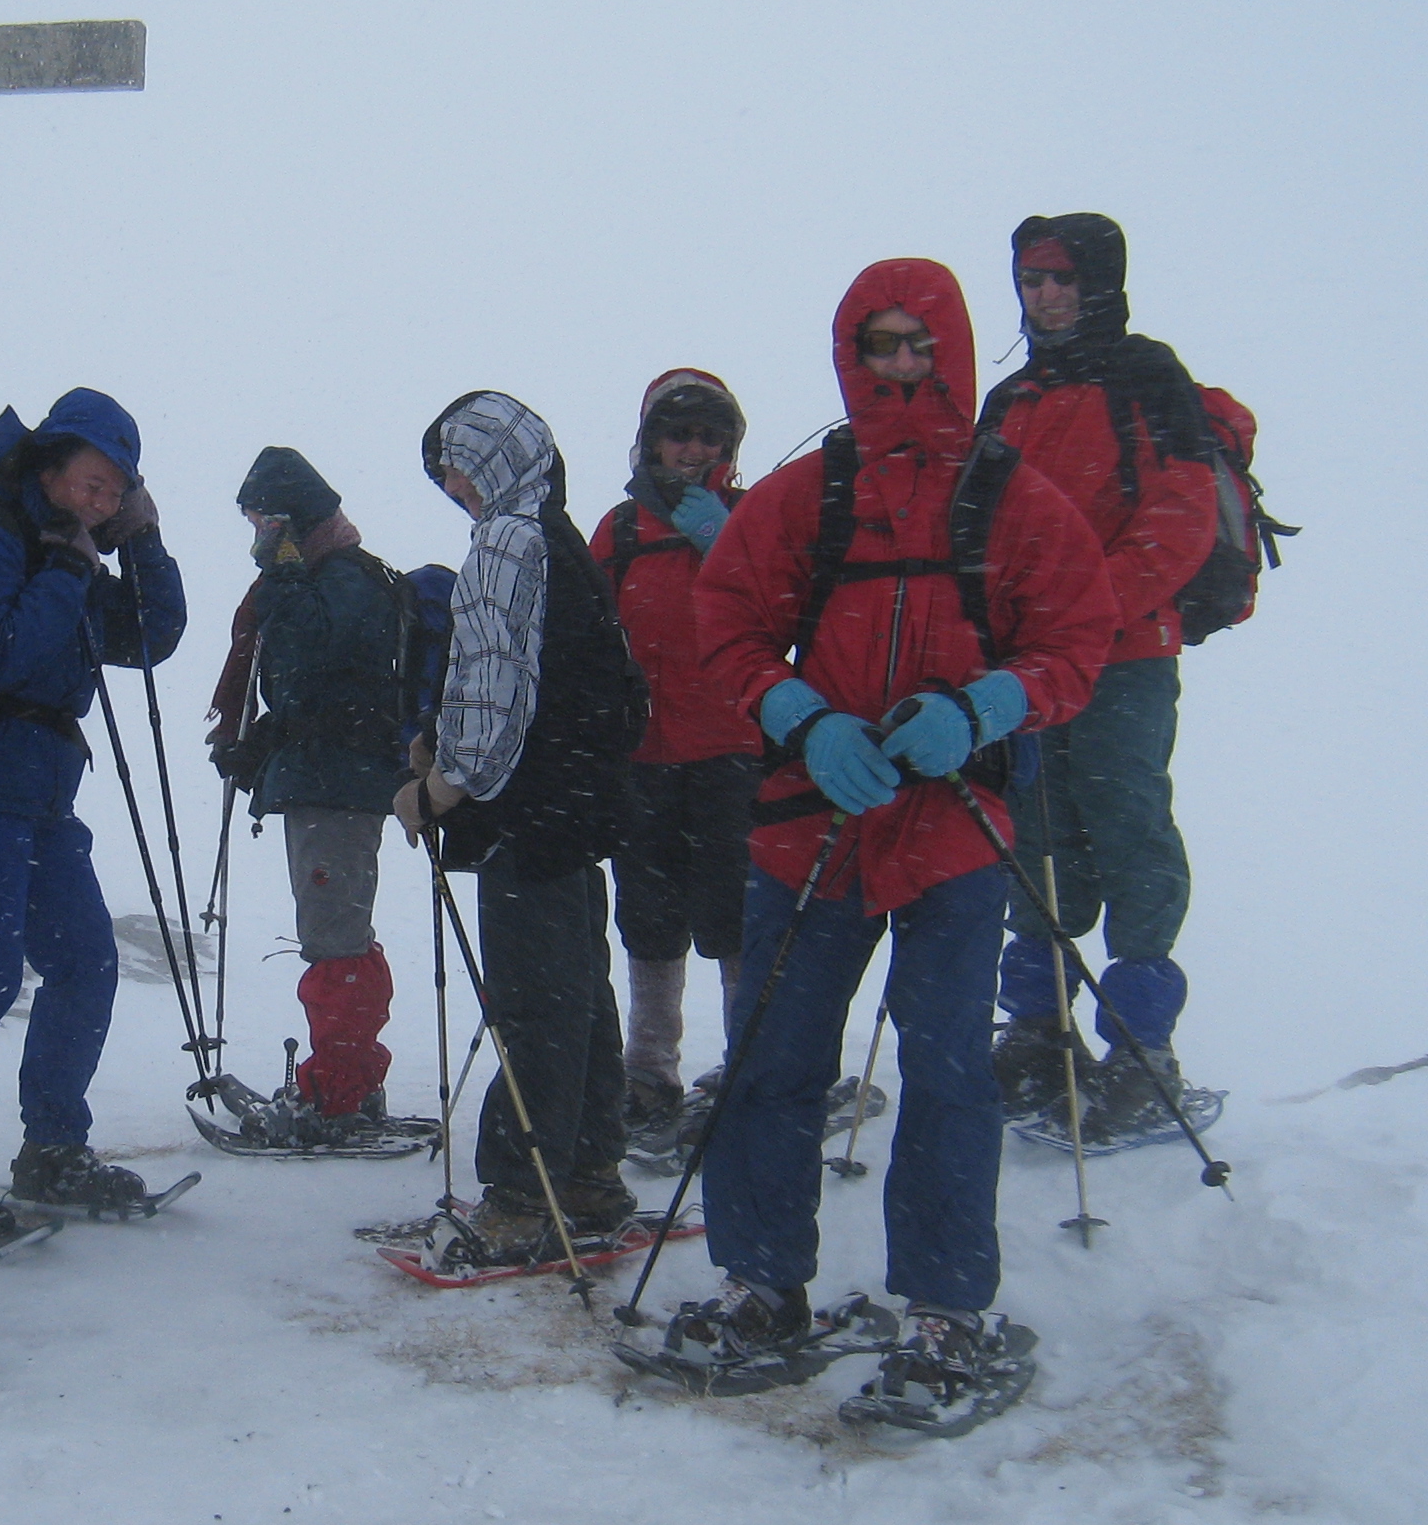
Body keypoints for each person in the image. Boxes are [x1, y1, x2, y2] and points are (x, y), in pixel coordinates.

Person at [681, 258, 1114, 1418]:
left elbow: (1077, 637)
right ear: (850, 355)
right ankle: (761, 1286)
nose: (900, 363)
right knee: (773, 1064)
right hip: (807, 830)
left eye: (917, 342)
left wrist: (981, 709)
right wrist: (799, 717)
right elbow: (722, 621)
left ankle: (944, 1310)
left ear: (954, 350)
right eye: (879, 343)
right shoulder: (807, 493)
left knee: (947, 1070)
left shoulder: (1010, 496)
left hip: (956, 833)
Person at [0, 389, 186, 1222]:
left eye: (114, 490)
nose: (98, 501)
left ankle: (53, 1150)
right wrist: (63, 568)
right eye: (89, 482)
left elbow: (153, 635)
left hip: (42, 797)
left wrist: (144, 542)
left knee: (86, 963)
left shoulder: (80, 549)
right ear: (50, 467)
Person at [978, 213, 1218, 1138]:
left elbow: (1181, 510)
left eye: (1059, 280)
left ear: (1100, 283)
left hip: (1121, 659)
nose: (1043, 296)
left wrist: (1086, 610)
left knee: (1127, 827)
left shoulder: (1148, 376)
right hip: (1033, 667)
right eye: (1030, 280)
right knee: (1035, 838)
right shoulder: (1009, 402)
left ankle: (1142, 1046)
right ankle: (1038, 1031)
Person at [396, 391, 646, 1257]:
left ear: (498, 456)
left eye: (458, 465)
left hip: (525, 809)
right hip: (576, 808)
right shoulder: (562, 540)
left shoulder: (507, 541)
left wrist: (442, 786)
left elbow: (494, 685)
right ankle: (586, 1173)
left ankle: (520, 1197)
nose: (455, 488)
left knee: (535, 1004)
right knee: (580, 997)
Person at [205, 447, 412, 1133]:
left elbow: (312, 658)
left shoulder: (347, 578)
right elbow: (309, 689)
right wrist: (262, 745)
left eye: (264, 520)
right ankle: (344, 1080)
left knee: (335, 933)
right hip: (330, 781)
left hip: (341, 786)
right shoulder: (330, 576)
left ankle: (340, 1093)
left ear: (292, 521)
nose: (258, 536)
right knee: (334, 929)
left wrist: (285, 579)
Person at [587, 370, 755, 1154]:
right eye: (678, 433)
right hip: (642, 759)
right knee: (649, 920)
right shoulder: (618, 532)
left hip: (734, 753)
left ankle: (754, 1065)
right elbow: (588, 636)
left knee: (736, 918)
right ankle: (649, 1073)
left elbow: (789, 613)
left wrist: (732, 546)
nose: (693, 449)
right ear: (651, 438)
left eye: (708, 436)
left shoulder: (754, 520)